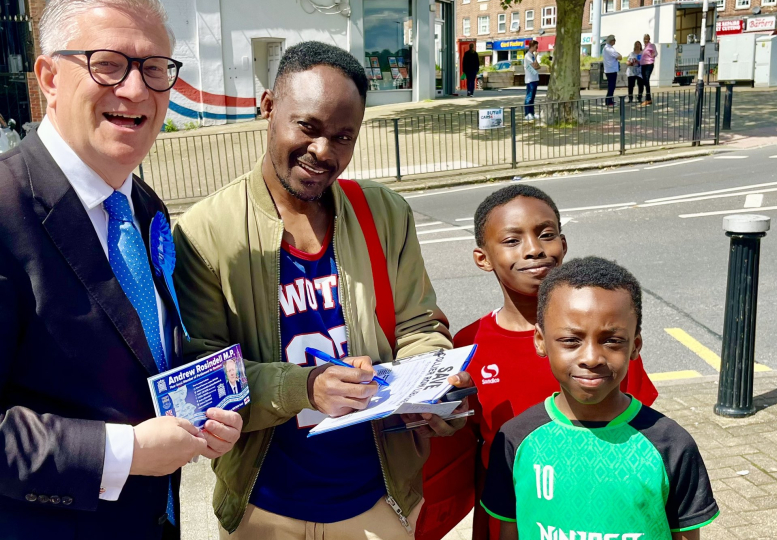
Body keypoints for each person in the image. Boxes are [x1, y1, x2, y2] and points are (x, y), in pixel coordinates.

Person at [173, 41, 472, 540]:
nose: (323, 152)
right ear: (268, 107)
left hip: (377, 500)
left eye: (343, 137)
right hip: (263, 508)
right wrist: (305, 387)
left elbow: (419, 326)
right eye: (307, 127)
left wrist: (433, 386)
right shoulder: (206, 232)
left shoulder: (385, 213)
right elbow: (202, 378)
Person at [0, 1, 243, 539]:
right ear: (49, 78)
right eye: (108, 63)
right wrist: (126, 452)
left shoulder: (144, 205)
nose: (136, 90)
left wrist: (205, 413)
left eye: (155, 68)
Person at [454, 185, 658, 540]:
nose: (534, 249)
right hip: (512, 515)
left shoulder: (606, 341)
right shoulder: (468, 345)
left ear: (563, 245)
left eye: (546, 234)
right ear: (482, 257)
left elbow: (642, 430)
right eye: (512, 240)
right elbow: (471, 450)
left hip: (603, 512)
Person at [481, 257, 720, 540]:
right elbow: (509, 530)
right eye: (571, 340)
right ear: (540, 341)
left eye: (612, 340)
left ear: (635, 345)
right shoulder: (515, 440)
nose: (592, 358)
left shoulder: (670, 445)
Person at [523, 41, 541, 121]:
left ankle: (532, 113)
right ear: (532, 46)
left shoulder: (532, 55)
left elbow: (538, 66)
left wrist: (536, 63)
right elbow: (535, 66)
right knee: (529, 97)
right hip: (530, 79)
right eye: (536, 47)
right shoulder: (528, 56)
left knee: (532, 98)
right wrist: (536, 62)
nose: (537, 49)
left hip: (534, 78)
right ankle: (527, 114)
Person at [603, 35, 622, 107]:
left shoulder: (608, 48)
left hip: (610, 69)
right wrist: (619, 55)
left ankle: (609, 100)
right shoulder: (609, 49)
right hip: (611, 70)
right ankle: (609, 101)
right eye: (614, 40)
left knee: (611, 86)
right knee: (611, 86)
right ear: (611, 41)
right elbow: (619, 57)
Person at [641, 34, 658, 105]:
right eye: (644, 39)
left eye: (647, 39)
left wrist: (653, 55)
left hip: (649, 64)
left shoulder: (651, 45)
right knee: (644, 80)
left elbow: (656, 52)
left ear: (649, 39)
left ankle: (648, 98)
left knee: (646, 79)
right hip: (643, 64)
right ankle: (648, 98)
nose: (645, 40)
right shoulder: (644, 47)